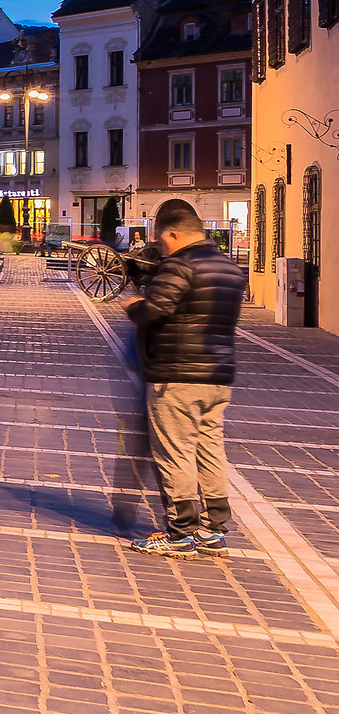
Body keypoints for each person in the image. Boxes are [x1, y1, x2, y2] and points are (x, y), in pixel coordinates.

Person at [124, 199, 244, 559]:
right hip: (217, 375)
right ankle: (213, 529)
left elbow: (156, 310)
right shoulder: (229, 268)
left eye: (162, 241)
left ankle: (180, 534)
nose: (161, 248)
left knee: (175, 451)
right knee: (210, 450)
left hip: (177, 375)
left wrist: (133, 306)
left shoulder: (179, 265)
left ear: (174, 234)